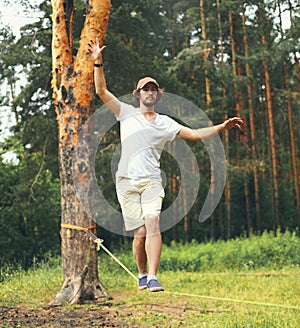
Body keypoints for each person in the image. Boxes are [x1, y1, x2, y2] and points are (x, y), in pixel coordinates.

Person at [88, 38, 244, 292]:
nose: (149, 92)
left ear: (158, 95)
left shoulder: (165, 123)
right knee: (139, 234)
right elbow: (101, 91)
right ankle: (141, 273)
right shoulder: (125, 112)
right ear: (137, 94)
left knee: (153, 223)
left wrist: (222, 127)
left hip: (151, 181)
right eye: (144, 89)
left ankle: (153, 276)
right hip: (126, 182)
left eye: (153, 89)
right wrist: (97, 61)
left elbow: (193, 134)